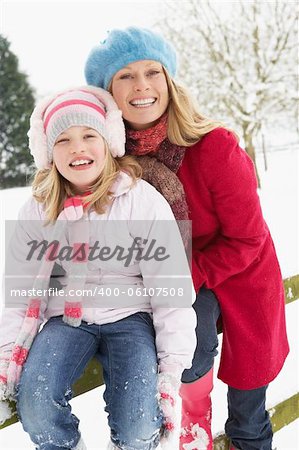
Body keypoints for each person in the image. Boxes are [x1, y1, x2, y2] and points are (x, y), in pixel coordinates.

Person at [84, 26, 290, 450]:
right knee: (187, 376)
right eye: (124, 76)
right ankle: (195, 432)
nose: (141, 86)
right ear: (107, 91)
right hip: (180, 288)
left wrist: (178, 275)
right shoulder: (111, 160)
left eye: (151, 72)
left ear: (169, 80)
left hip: (241, 279)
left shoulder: (214, 147)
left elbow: (247, 241)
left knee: (249, 423)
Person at [0, 86, 197, 450]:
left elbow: (170, 288)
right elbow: (20, 290)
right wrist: (7, 355)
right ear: (48, 153)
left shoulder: (141, 200)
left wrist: (171, 369)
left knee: (139, 425)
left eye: (89, 135)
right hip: (65, 319)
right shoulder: (39, 210)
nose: (78, 147)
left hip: (130, 315)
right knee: (37, 404)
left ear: (108, 141)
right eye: (63, 140)